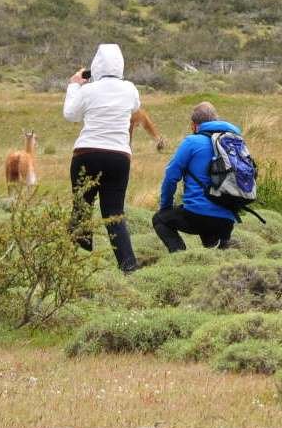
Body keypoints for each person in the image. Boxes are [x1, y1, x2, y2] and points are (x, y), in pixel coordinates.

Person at [64, 43, 141, 272]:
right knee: (114, 213)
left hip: (87, 154)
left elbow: (69, 114)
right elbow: (136, 106)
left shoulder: (88, 90)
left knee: (82, 208)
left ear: (96, 65)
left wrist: (74, 86)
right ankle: (128, 266)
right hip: (119, 157)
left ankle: (78, 265)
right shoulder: (130, 89)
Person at [154, 102, 243, 252]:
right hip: (228, 218)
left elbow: (171, 177)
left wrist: (165, 207)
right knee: (214, 249)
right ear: (216, 120)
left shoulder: (192, 142)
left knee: (159, 219)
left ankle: (180, 256)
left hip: (197, 215)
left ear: (194, 125)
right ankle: (218, 252)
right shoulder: (235, 142)